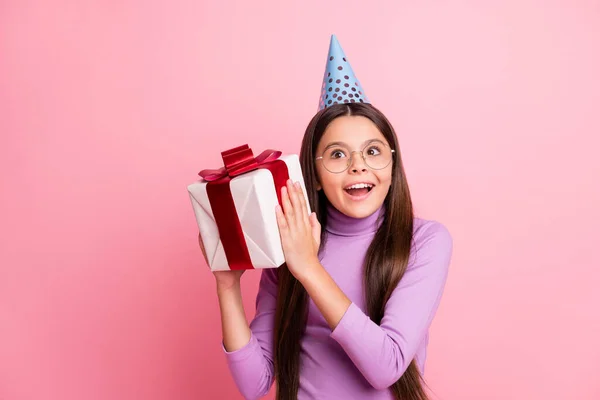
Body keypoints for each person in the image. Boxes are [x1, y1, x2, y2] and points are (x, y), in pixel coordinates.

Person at [198, 35, 453, 400]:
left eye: (373, 151)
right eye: (337, 154)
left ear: (393, 164)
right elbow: (254, 384)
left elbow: (387, 366)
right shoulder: (290, 242)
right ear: (314, 174)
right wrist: (227, 285)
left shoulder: (426, 241)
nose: (358, 166)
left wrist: (309, 268)